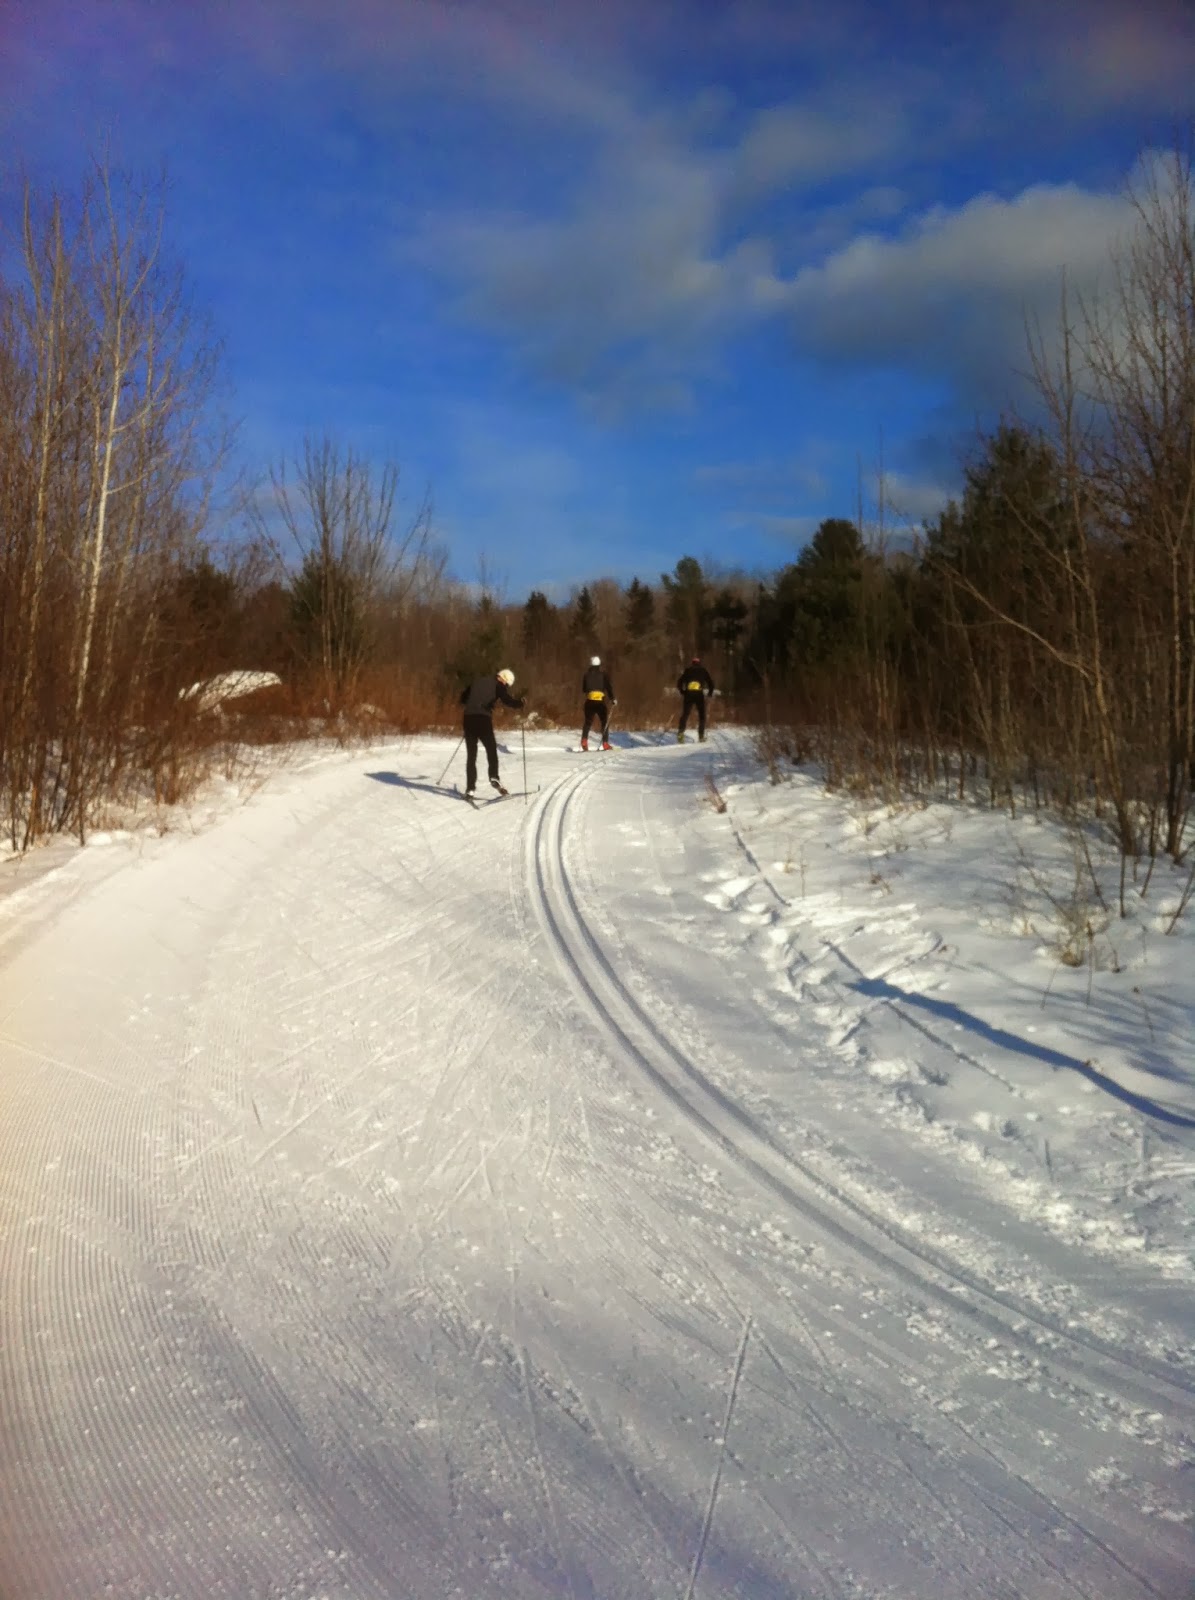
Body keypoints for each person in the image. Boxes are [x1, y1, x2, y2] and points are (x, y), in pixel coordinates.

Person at [459, 668, 525, 795]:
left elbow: (463, 699)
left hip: (468, 719)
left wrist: (476, 703)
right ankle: (494, 776)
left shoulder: (477, 681)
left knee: (471, 755)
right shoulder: (498, 685)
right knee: (491, 749)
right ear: (504, 679)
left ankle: (470, 788)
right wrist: (520, 703)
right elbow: (507, 700)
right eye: (506, 684)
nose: (505, 686)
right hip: (483, 719)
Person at [580, 655, 615, 751]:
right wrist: (613, 699)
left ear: (590, 664)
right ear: (599, 664)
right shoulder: (603, 674)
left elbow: (584, 689)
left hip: (589, 701)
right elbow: (608, 687)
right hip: (600, 702)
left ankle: (584, 741)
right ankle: (605, 743)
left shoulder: (586, 675)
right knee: (604, 722)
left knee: (587, 722)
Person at [676, 656, 715, 742]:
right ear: (699, 663)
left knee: (685, 714)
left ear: (692, 663)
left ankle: (680, 734)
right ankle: (701, 736)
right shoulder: (703, 670)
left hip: (688, 694)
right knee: (702, 715)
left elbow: (679, 683)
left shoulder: (687, 670)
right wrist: (709, 694)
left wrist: (683, 692)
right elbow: (711, 684)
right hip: (699, 695)